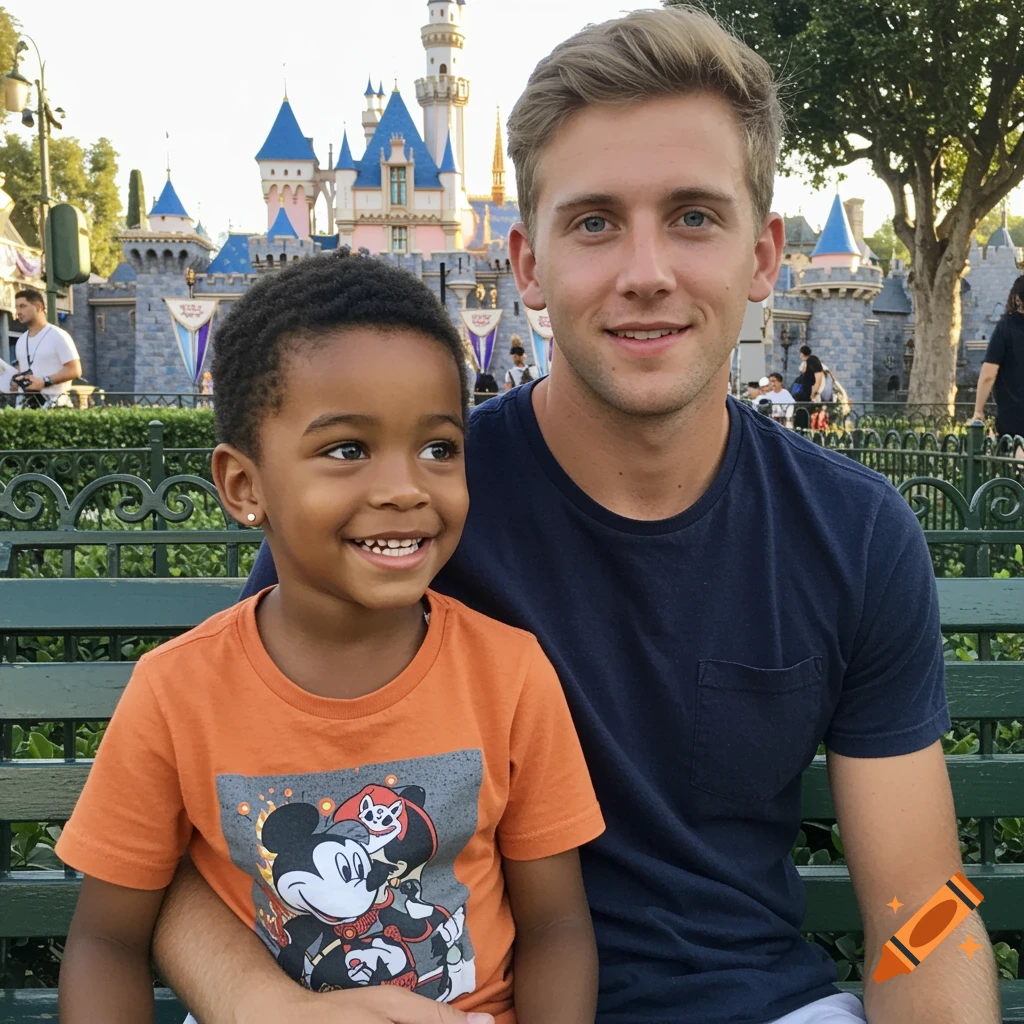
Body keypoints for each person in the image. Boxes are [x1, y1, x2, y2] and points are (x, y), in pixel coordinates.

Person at [149, 9, 997, 1024]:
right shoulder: (404, 510)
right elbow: (172, 849)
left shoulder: (851, 535)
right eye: (594, 221)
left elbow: (925, 901)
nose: (645, 270)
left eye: (693, 216)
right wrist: (258, 1001)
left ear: (765, 257)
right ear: (528, 263)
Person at [55, 253, 604, 1024]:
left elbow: (556, 924)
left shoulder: (510, 673)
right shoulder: (178, 690)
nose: (405, 486)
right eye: (347, 449)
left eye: (438, 448)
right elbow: (107, 941)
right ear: (245, 487)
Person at [972, 274, 1024, 454]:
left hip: (1014, 417)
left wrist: (978, 411)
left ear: (1017, 298)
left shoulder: (1006, 328)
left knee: (1015, 473)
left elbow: (988, 375)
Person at [10, 288, 81, 408]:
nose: (18, 311)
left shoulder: (58, 335)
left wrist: (44, 381)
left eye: (22, 306)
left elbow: (75, 370)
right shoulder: (21, 341)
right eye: (16, 307)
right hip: (26, 407)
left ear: (38, 307)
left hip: (55, 405)